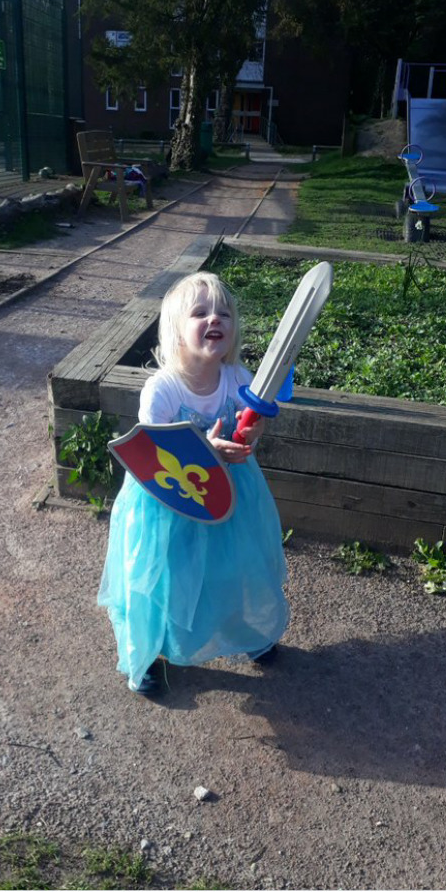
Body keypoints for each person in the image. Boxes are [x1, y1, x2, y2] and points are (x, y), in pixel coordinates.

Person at [98, 271, 289, 694]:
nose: (213, 319)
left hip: (230, 495)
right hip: (167, 501)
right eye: (199, 312)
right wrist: (208, 449)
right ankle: (147, 651)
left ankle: (249, 632)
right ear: (177, 330)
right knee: (162, 578)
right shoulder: (162, 389)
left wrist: (250, 433)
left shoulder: (239, 378)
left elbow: (250, 423)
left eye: (223, 312)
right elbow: (153, 450)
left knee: (235, 565)